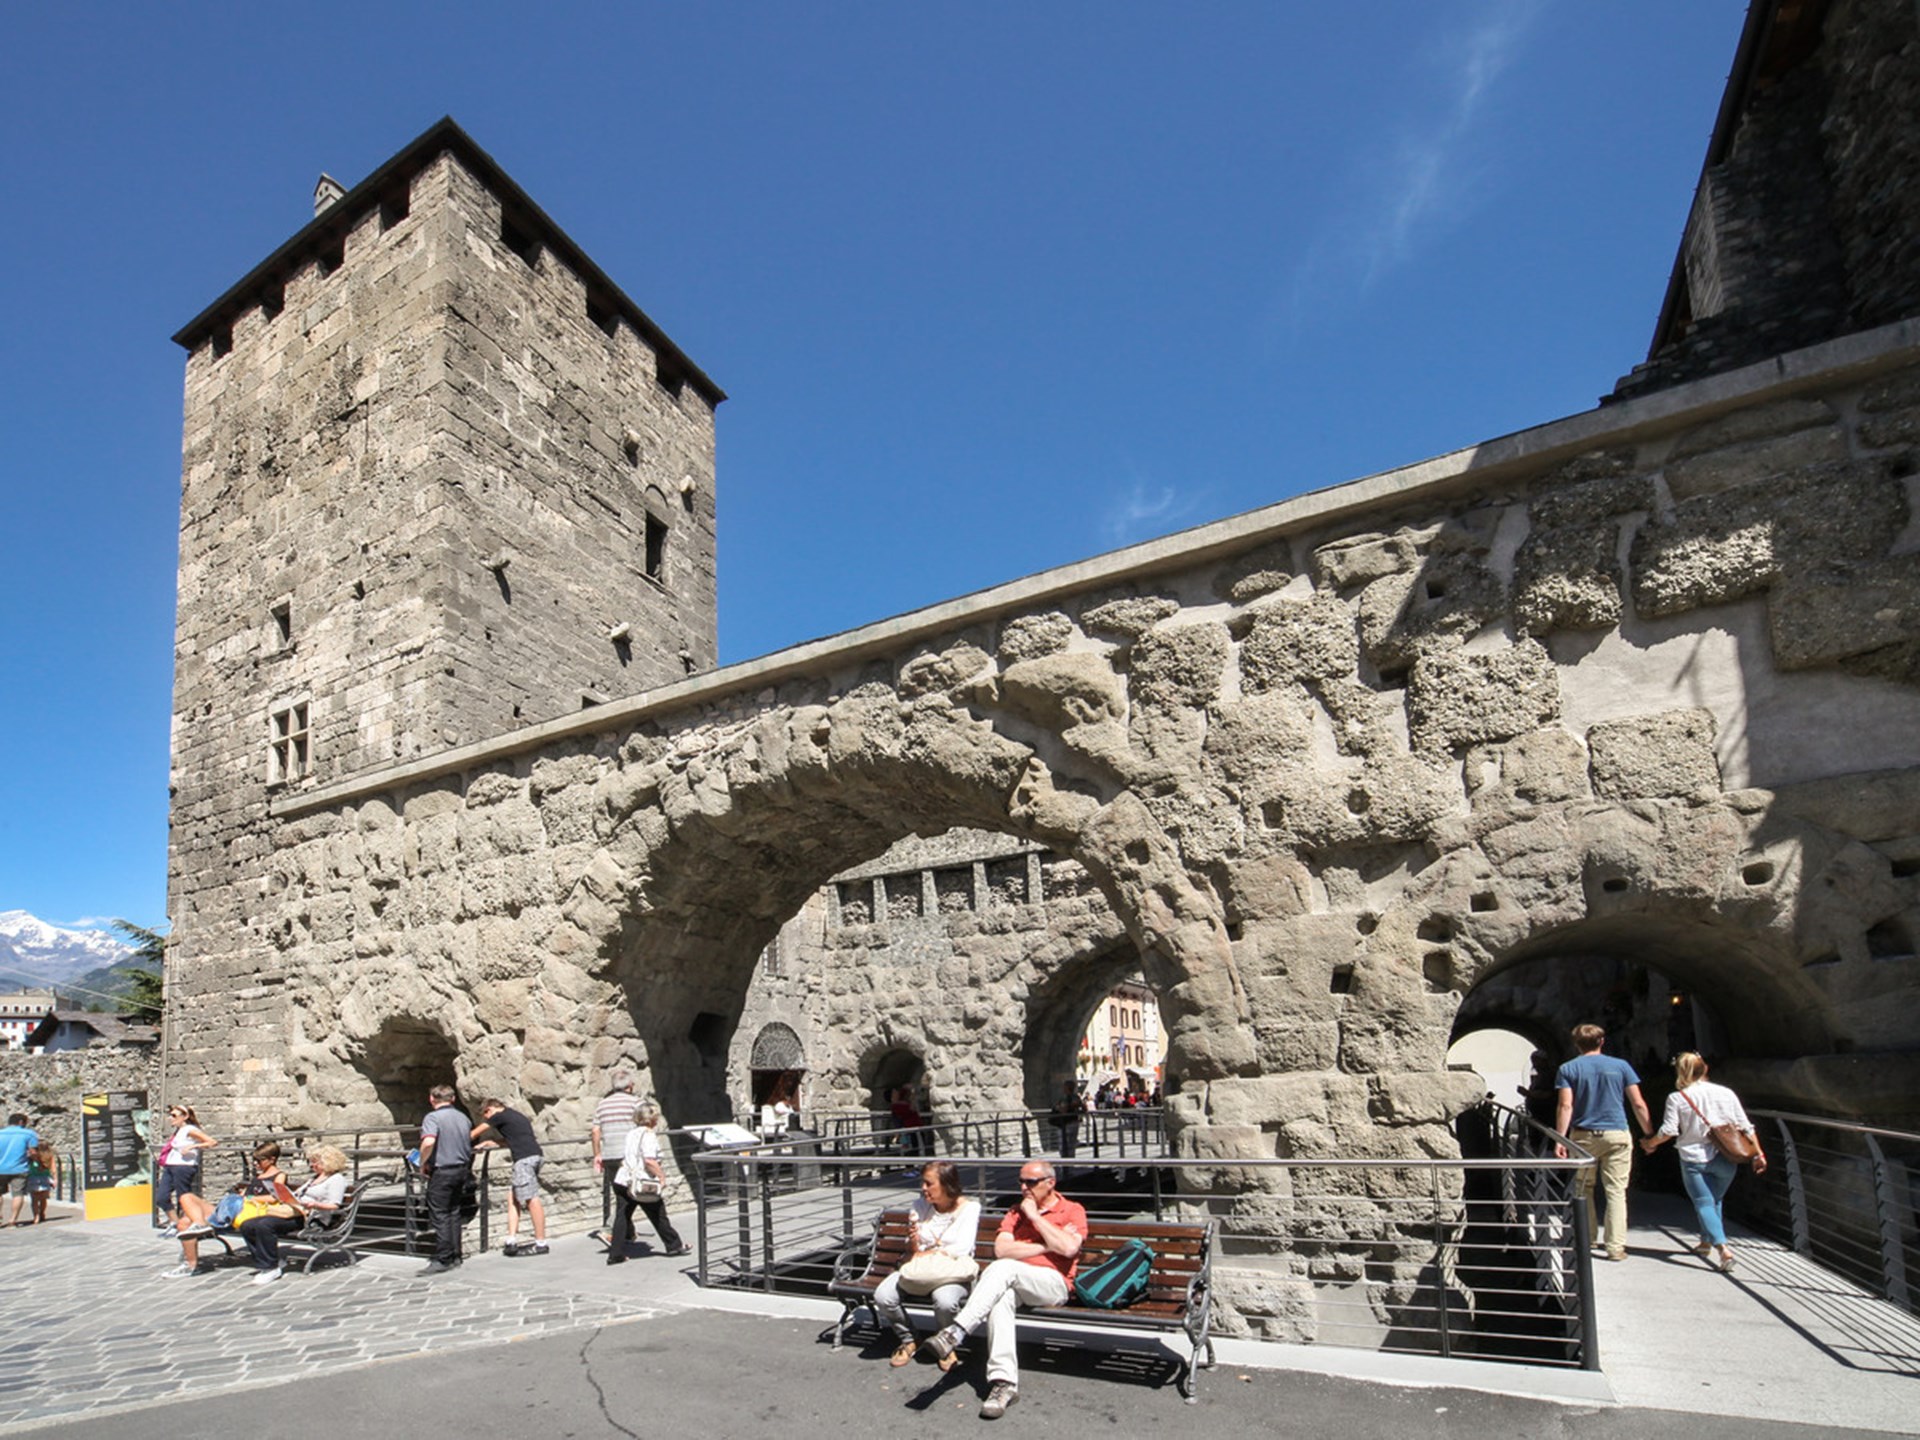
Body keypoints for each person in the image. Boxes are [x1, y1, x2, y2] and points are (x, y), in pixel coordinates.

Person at [924, 1159, 1086, 1419]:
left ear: (1050, 1183)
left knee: (1004, 1268)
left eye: (1030, 1182)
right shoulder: (1014, 1212)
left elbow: (1068, 1248)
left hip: (1053, 1283)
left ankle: (956, 1331)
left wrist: (1034, 1217)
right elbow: (1001, 1249)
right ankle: (1004, 1384)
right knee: (1001, 1296)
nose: (1023, 1187)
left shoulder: (1072, 1210)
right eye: (1021, 1181)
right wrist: (1047, 1245)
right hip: (1014, 1281)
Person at [1640, 1052, 1768, 1274]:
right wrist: (1758, 1154)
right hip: (1726, 1157)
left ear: (1680, 1072)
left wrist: (1650, 1143)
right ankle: (1705, 1242)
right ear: (1705, 1069)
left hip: (1694, 1158)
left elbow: (1669, 1131)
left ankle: (1724, 1250)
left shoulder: (1677, 1098)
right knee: (1714, 1201)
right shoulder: (1726, 1093)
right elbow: (1746, 1126)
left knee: (1704, 1203)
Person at [1553, 1023, 1652, 1262]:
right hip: (1616, 1133)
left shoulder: (1568, 1068)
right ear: (1602, 1041)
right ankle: (1615, 1247)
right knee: (1616, 1190)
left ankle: (1587, 1238)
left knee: (1583, 1187)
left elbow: (1566, 1105)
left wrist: (1560, 1139)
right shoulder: (1621, 1066)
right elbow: (1638, 1103)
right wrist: (1649, 1133)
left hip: (1583, 1136)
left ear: (1576, 1044)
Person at [876, 1160, 981, 1369]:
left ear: (947, 1184)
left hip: (951, 1271)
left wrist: (927, 1252)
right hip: (920, 1269)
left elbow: (961, 1249)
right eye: (923, 1183)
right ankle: (909, 1339)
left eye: (929, 1183)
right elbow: (913, 1249)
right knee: (883, 1296)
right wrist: (914, 1241)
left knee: (945, 1301)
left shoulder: (970, 1208)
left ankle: (945, 1344)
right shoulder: (920, 1205)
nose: (923, 1188)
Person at [167, 1140, 292, 1277]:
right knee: (186, 1200)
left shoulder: (279, 1176)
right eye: (254, 1160)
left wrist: (249, 1198)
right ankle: (194, 1252)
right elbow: (245, 1195)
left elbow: (275, 1198)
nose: (255, 1164)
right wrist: (241, 1195)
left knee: (185, 1222)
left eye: (259, 1160)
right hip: (234, 1210)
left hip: (246, 1213)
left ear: (272, 1159)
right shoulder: (258, 1176)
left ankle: (191, 1261)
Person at [235, 1144, 349, 1285]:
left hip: (311, 1217)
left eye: (315, 1162)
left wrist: (314, 1204)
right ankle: (269, 1260)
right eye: (311, 1161)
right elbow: (297, 1195)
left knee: (264, 1225)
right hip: (295, 1211)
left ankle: (270, 1268)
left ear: (328, 1162)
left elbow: (334, 1205)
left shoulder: (336, 1179)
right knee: (248, 1224)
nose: (312, 1165)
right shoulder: (314, 1178)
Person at [607, 1101, 690, 1263]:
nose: (657, 1119)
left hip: (624, 1179)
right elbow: (649, 1160)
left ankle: (615, 1253)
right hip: (642, 1182)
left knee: (622, 1216)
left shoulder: (632, 1133)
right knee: (658, 1213)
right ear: (650, 1118)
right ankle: (674, 1245)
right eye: (656, 1116)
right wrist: (661, 1176)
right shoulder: (649, 1135)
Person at [473, 1098, 547, 1256]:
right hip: (535, 1155)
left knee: (532, 1199)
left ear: (490, 1109)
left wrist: (456, 1142)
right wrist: (490, 1143)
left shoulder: (498, 1116)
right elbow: (513, 1139)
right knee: (513, 1196)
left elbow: (474, 1133)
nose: (487, 1118)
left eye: (486, 1114)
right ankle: (511, 1239)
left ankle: (541, 1243)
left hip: (524, 1160)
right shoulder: (515, 1115)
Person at [416, 1085, 474, 1274]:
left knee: (440, 1214)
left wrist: (422, 1162)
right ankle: (456, 1254)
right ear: (453, 1099)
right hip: (461, 1169)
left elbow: (429, 1141)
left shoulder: (432, 1118)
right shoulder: (463, 1117)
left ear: (432, 1099)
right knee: (454, 1212)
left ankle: (443, 1258)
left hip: (442, 1170)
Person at [590, 1069, 640, 1239]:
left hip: (609, 1155)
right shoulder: (636, 1103)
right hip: (629, 1156)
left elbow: (595, 1131)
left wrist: (597, 1154)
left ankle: (627, 1233)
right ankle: (610, 1229)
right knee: (631, 1195)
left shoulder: (602, 1104)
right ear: (630, 1085)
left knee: (621, 1194)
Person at [154, 1104, 218, 1235]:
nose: (170, 1118)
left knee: (184, 1198)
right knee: (161, 1197)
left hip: (183, 1167)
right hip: (171, 1166)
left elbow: (212, 1142)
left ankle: (190, 1223)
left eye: (174, 1115)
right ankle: (174, 1222)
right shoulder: (178, 1131)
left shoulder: (190, 1129)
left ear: (185, 1117)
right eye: (170, 1115)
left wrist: (192, 1147)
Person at [0, 1113, 40, 1227]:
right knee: (18, 1194)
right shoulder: (29, 1134)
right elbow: (33, 1152)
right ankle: (12, 1220)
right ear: (21, 1122)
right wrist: (35, 1160)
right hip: (19, 1168)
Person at [25, 1140, 58, 1224]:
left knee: (34, 1200)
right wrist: (55, 1179)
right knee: (43, 1199)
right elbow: (53, 1168)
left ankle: (36, 1216)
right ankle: (42, 1213)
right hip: (46, 1178)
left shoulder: (33, 1156)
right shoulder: (50, 1157)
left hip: (33, 1178)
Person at [890, 1086, 928, 1157]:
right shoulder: (901, 1105)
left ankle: (912, 1156)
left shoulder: (898, 1105)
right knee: (913, 1144)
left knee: (915, 1143)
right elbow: (910, 1110)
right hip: (909, 1127)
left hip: (912, 1127)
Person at [1048, 1083, 1083, 1160]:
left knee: (1063, 1144)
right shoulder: (1076, 1098)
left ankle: (1065, 1162)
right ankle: (1070, 1161)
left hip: (1065, 1123)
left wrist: (1057, 1108)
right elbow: (1083, 1107)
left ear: (1067, 1088)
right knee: (1071, 1145)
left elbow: (1063, 1109)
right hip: (1074, 1122)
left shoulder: (1065, 1098)